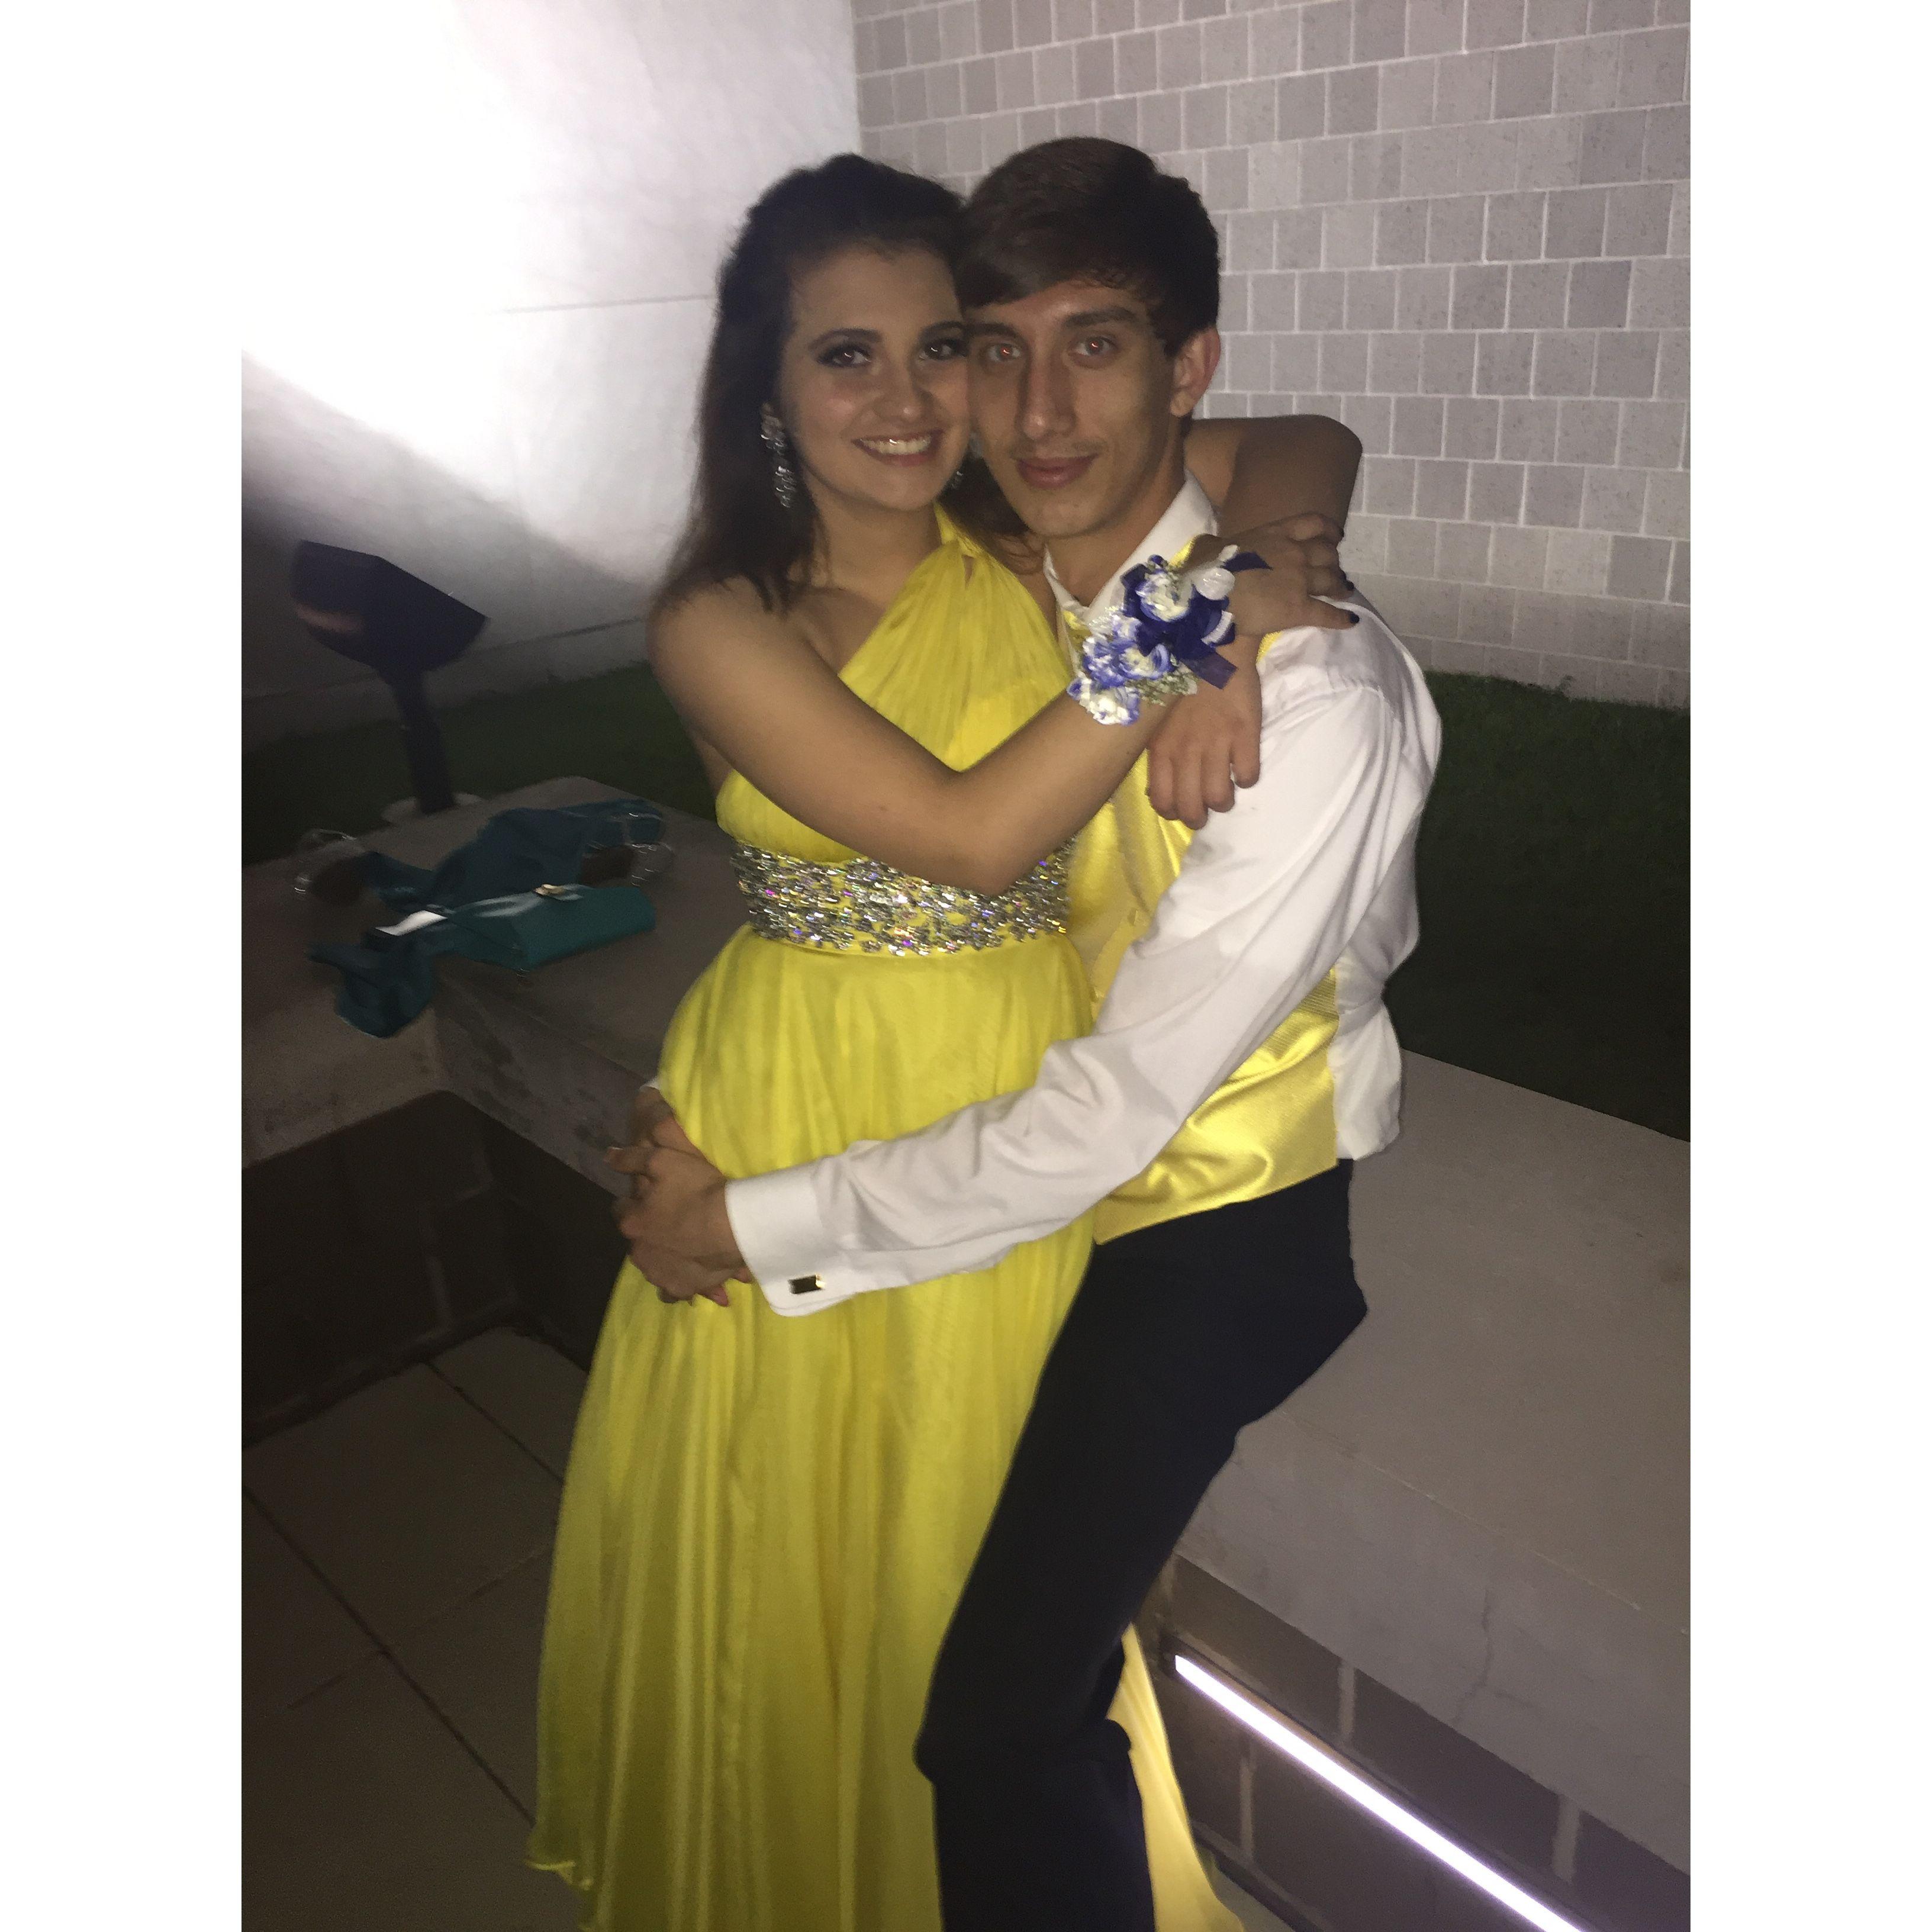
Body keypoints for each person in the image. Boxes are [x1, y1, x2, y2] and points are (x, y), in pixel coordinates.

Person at [613, 139, 1443, 1932]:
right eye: (990, 349)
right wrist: (1207, 605)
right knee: (813, 1542)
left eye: (1078, 347)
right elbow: (1263, 478)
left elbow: (1119, 1098)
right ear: (765, 383)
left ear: (1184, 365)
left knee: (990, 1698)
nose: (1003, 404)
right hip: (893, 1108)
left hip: (1200, 1208)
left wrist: (1242, 597)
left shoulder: (1307, 693)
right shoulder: (1032, 564)